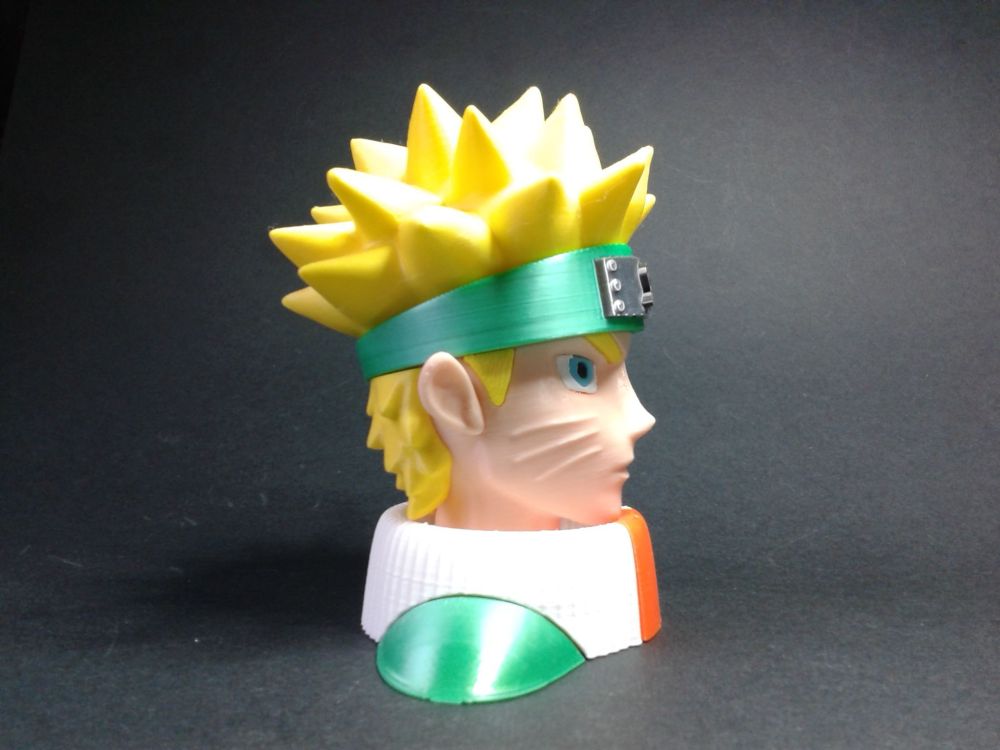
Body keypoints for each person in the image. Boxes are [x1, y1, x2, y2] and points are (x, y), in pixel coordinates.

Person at [271, 84, 662, 703]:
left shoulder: (622, 548)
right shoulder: (458, 642)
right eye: (581, 372)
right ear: (454, 400)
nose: (640, 417)